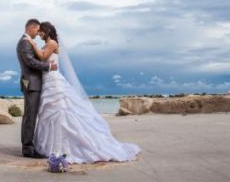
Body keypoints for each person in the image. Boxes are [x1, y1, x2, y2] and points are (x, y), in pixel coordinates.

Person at [25, 21, 141, 163]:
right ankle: (51, 146)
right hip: (47, 81)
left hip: (54, 82)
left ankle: (66, 147)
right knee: (50, 114)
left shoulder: (52, 43)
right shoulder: (46, 45)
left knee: (62, 111)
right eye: (39, 31)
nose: (40, 33)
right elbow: (42, 60)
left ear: (47, 31)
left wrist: (32, 43)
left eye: (41, 31)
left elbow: (43, 57)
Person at [16, 18, 57, 158]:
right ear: (31, 28)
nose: (38, 32)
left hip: (34, 82)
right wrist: (49, 66)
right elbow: (30, 62)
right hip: (31, 83)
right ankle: (27, 148)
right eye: (37, 30)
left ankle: (29, 145)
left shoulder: (28, 42)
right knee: (30, 115)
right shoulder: (24, 42)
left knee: (31, 114)